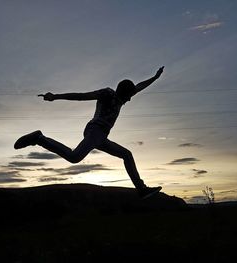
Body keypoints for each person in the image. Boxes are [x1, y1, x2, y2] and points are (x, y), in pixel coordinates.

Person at [14, 66, 165, 199]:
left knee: (127, 154)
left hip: (102, 136)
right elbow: (81, 96)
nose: (130, 100)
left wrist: (155, 77)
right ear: (123, 92)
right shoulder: (107, 94)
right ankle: (39, 138)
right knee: (74, 157)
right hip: (95, 131)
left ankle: (141, 189)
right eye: (129, 96)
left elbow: (139, 86)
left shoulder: (121, 99)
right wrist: (55, 97)